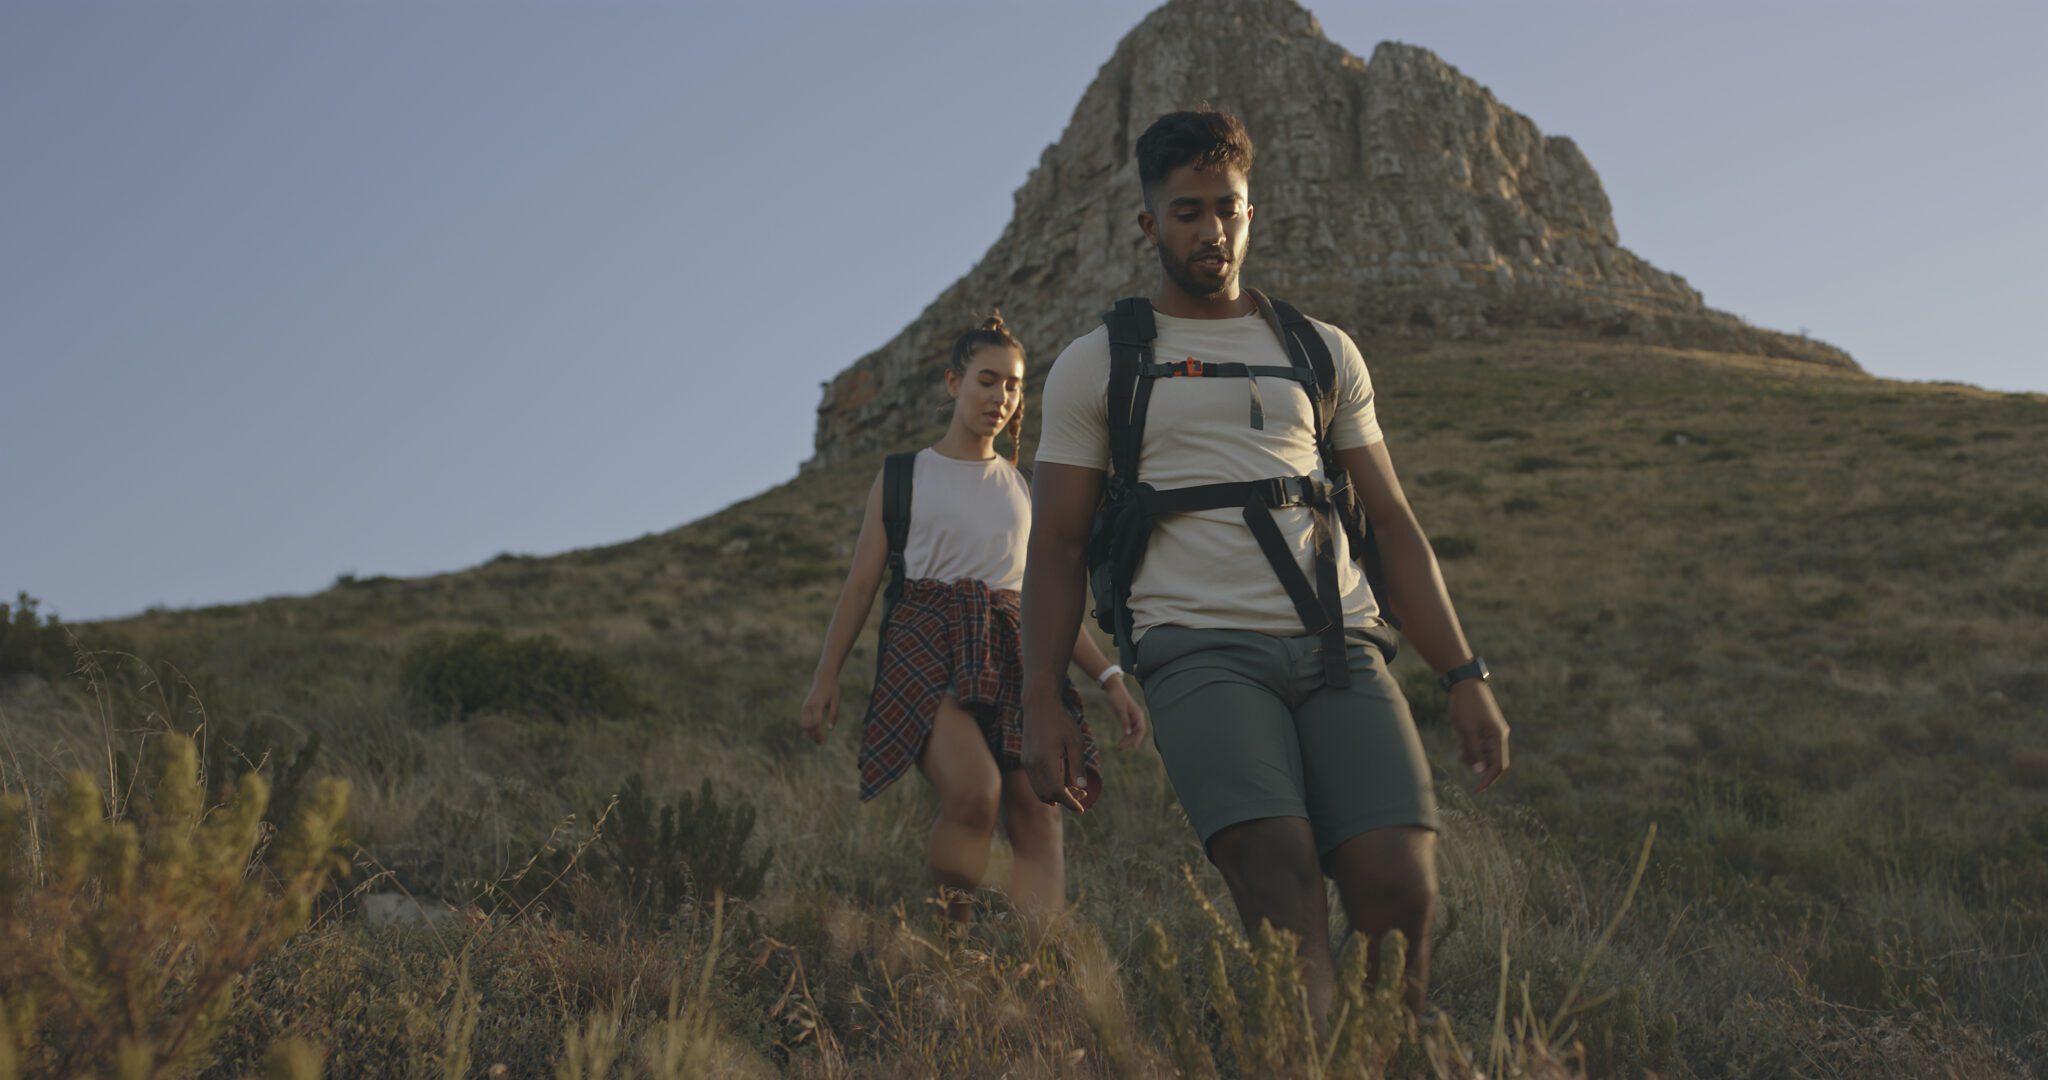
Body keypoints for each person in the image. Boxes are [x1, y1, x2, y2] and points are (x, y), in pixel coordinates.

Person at [1019, 110, 1509, 1020]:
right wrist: (1042, 695)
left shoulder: (1321, 350)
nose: (1211, 230)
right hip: (1196, 650)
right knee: (1278, 878)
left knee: (1399, 886)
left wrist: (1464, 672)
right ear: (1149, 225)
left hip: (1339, 645)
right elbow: (1052, 543)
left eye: (1228, 209)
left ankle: (1373, 1059)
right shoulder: (1097, 364)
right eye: (1188, 211)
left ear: (1253, 213)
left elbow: (1393, 521)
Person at [802, 312, 1148, 924]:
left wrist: (1111, 678)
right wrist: (825, 677)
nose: (1002, 398)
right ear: (953, 382)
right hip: (926, 652)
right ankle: (948, 959)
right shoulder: (903, 477)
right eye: (987, 381)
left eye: (1014, 386)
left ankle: (1043, 983)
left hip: (1015, 655)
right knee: (974, 793)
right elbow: (860, 586)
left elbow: (1047, 601)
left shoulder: (1026, 488)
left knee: (1040, 814)